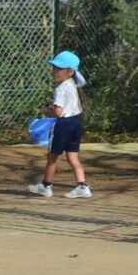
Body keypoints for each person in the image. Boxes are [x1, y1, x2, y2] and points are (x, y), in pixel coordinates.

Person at [29, 51, 91, 199]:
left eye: (58, 69)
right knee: (73, 158)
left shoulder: (61, 88)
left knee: (52, 158)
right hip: (76, 123)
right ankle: (82, 186)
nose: (54, 72)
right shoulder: (73, 85)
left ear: (70, 72)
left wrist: (46, 111)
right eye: (54, 68)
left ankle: (46, 186)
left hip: (63, 125)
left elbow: (58, 112)